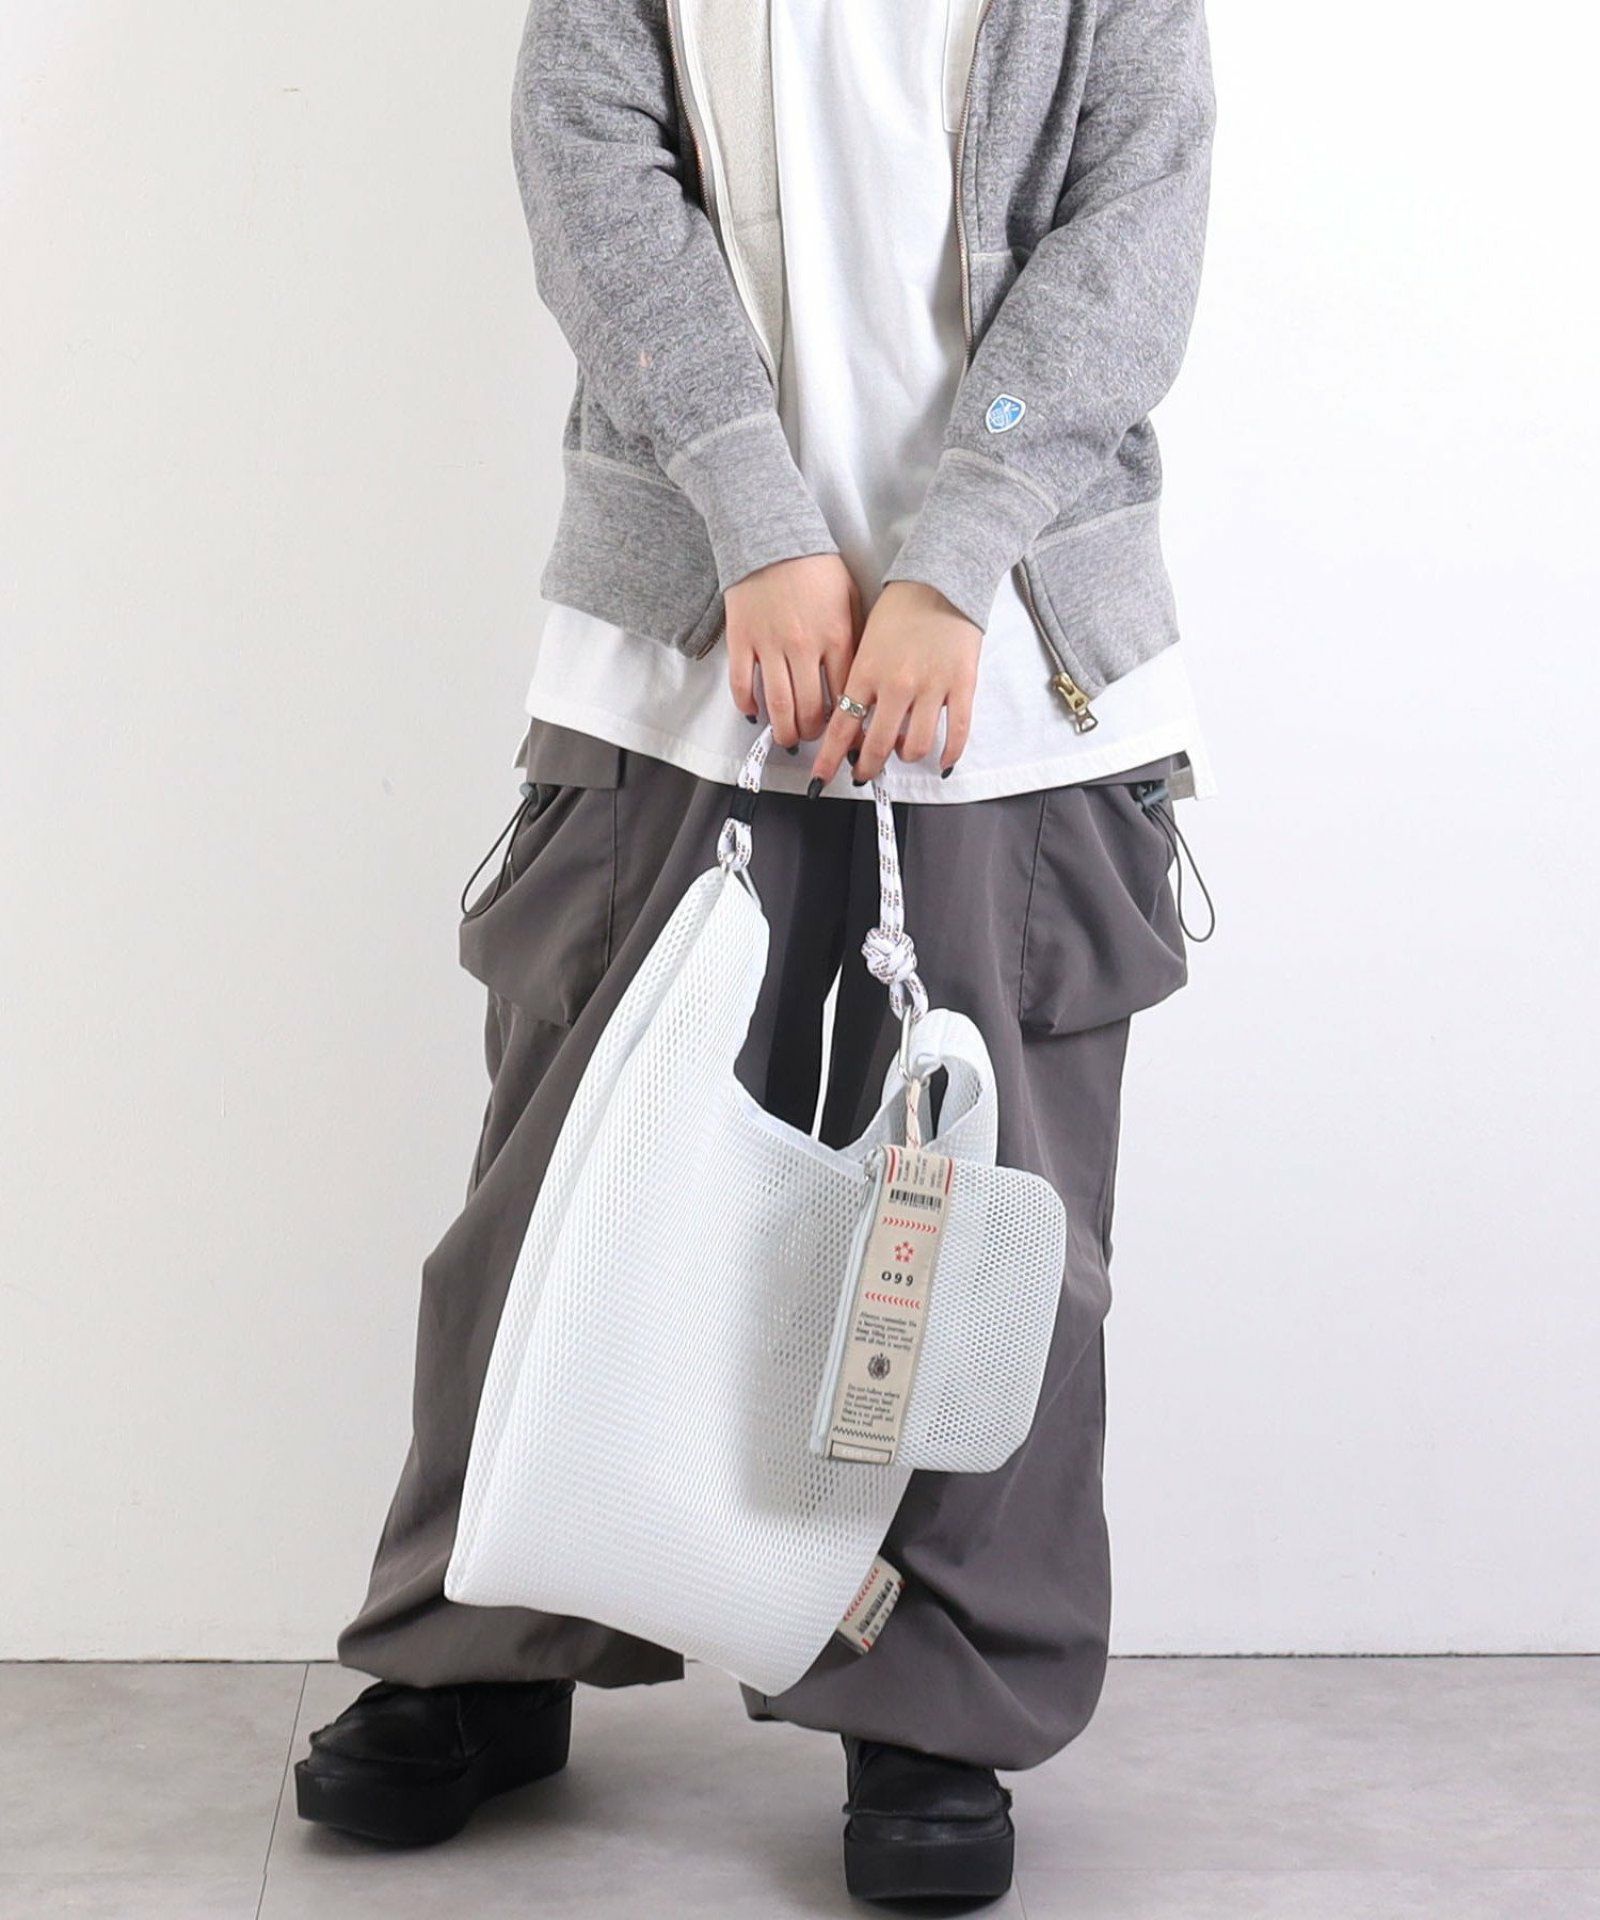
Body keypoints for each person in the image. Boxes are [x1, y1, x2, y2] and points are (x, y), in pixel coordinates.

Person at [295, 0, 1216, 1901]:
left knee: (982, 1227)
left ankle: (935, 1699)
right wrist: (754, 516)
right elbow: (588, 164)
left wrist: (956, 552)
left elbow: (1132, 234)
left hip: (1012, 669)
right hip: (682, 651)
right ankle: (483, 1645)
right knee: (559, 1189)